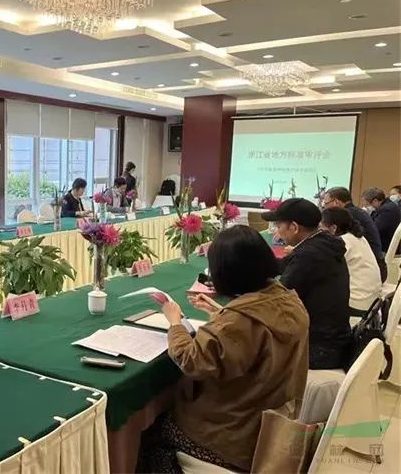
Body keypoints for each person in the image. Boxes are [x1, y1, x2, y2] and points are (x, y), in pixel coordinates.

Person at [137, 226, 309, 472]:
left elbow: (191, 360)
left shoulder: (239, 322)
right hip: (269, 426)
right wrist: (220, 313)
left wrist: (175, 323)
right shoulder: (289, 300)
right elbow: (254, 335)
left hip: (230, 436)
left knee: (151, 435)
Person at [262, 198, 351, 370]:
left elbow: (278, 297)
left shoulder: (310, 255)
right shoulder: (322, 243)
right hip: (334, 341)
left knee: (250, 349)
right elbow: (282, 265)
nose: (277, 232)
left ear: (294, 227)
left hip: (319, 349)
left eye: (279, 225)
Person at [320, 208, 381, 315]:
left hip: (356, 303)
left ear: (333, 228)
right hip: (371, 301)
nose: (319, 230)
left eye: (321, 226)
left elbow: (322, 268)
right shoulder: (358, 238)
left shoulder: (342, 242)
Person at [323, 187, 386, 281]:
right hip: (376, 269)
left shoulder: (346, 218)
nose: (324, 207)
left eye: (326, 203)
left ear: (336, 202)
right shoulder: (358, 213)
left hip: (366, 274)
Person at [362, 187, 401, 253]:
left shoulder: (388, 209)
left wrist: (364, 216)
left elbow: (373, 229)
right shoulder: (384, 206)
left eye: (367, 204)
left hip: (384, 249)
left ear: (375, 201)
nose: (366, 206)